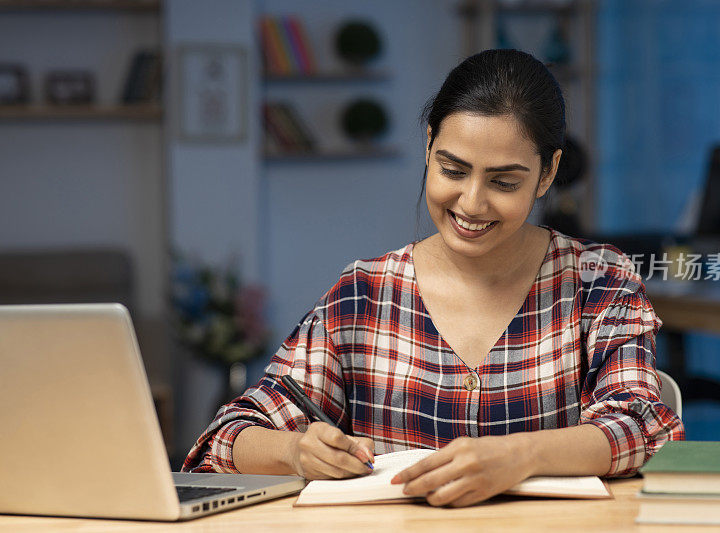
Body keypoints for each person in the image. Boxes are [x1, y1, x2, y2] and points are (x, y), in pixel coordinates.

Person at [182, 48, 685, 507]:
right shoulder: (364, 293)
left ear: (548, 173)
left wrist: (520, 457)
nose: (471, 202)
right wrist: (296, 451)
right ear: (428, 146)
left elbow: (643, 424)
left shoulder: (599, 281)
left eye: (504, 182)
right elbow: (230, 434)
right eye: (452, 170)